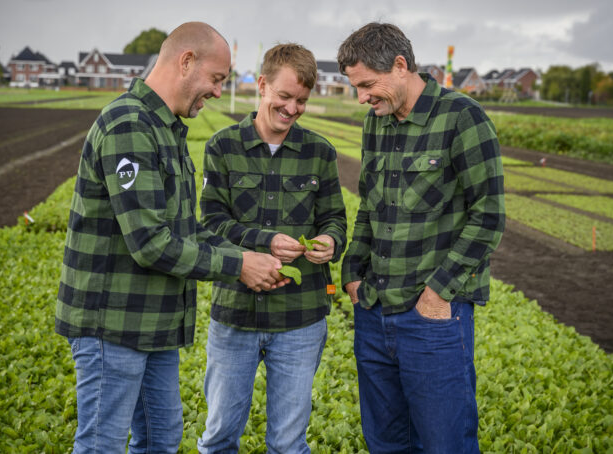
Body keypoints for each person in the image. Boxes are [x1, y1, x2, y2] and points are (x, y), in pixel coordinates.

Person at [55, 22, 289, 454]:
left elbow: (187, 230)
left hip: (154, 327)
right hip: (114, 325)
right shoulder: (129, 125)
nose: (219, 92)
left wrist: (248, 255)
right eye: (217, 79)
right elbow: (149, 242)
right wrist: (239, 266)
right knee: (102, 444)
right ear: (186, 62)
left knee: (162, 439)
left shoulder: (166, 129)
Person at [337, 23, 505, 453]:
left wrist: (436, 295)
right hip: (374, 312)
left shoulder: (462, 117)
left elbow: (488, 216)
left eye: (368, 85)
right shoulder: (376, 123)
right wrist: (352, 273)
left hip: (432, 319)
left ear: (399, 66)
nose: (362, 97)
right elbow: (371, 208)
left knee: (444, 443)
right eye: (356, 87)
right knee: (386, 443)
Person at [197, 43, 347, 453]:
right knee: (219, 436)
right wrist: (264, 242)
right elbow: (211, 222)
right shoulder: (222, 147)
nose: (293, 108)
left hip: (301, 319)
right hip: (235, 315)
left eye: (301, 100)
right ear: (262, 86)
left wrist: (330, 241)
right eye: (284, 96)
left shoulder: (320, 152)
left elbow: (335, 218)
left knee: (288, 443)